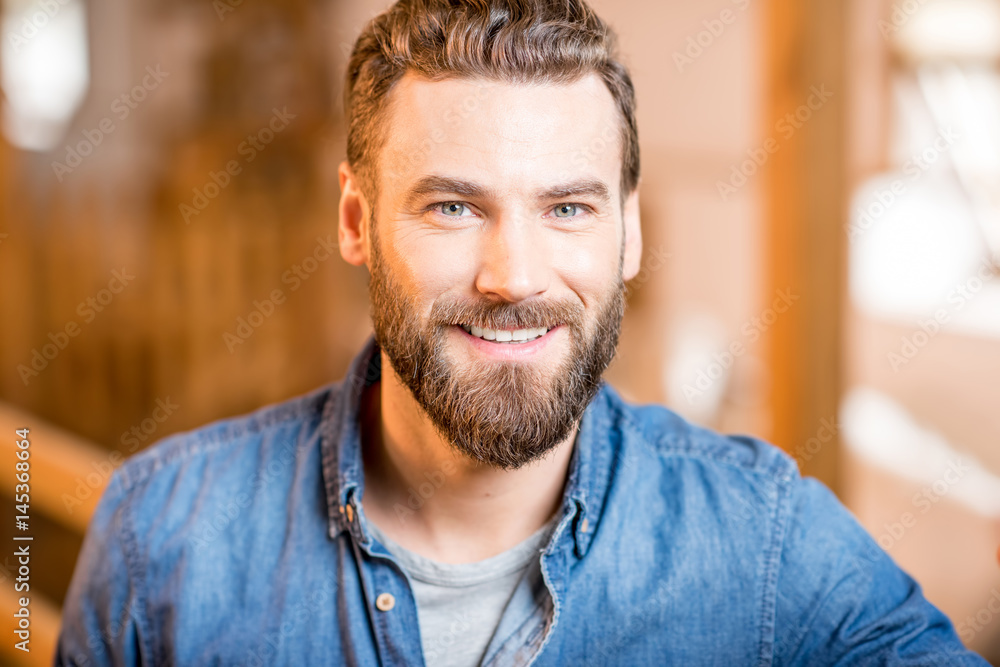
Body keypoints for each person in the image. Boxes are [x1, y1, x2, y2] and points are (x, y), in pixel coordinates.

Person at [55, 0, 990, 664]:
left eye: (568, 208)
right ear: (354, 221)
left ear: (629, 232)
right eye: (455, 206)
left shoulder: (769, 543)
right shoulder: (162, 542)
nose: (514, 277)